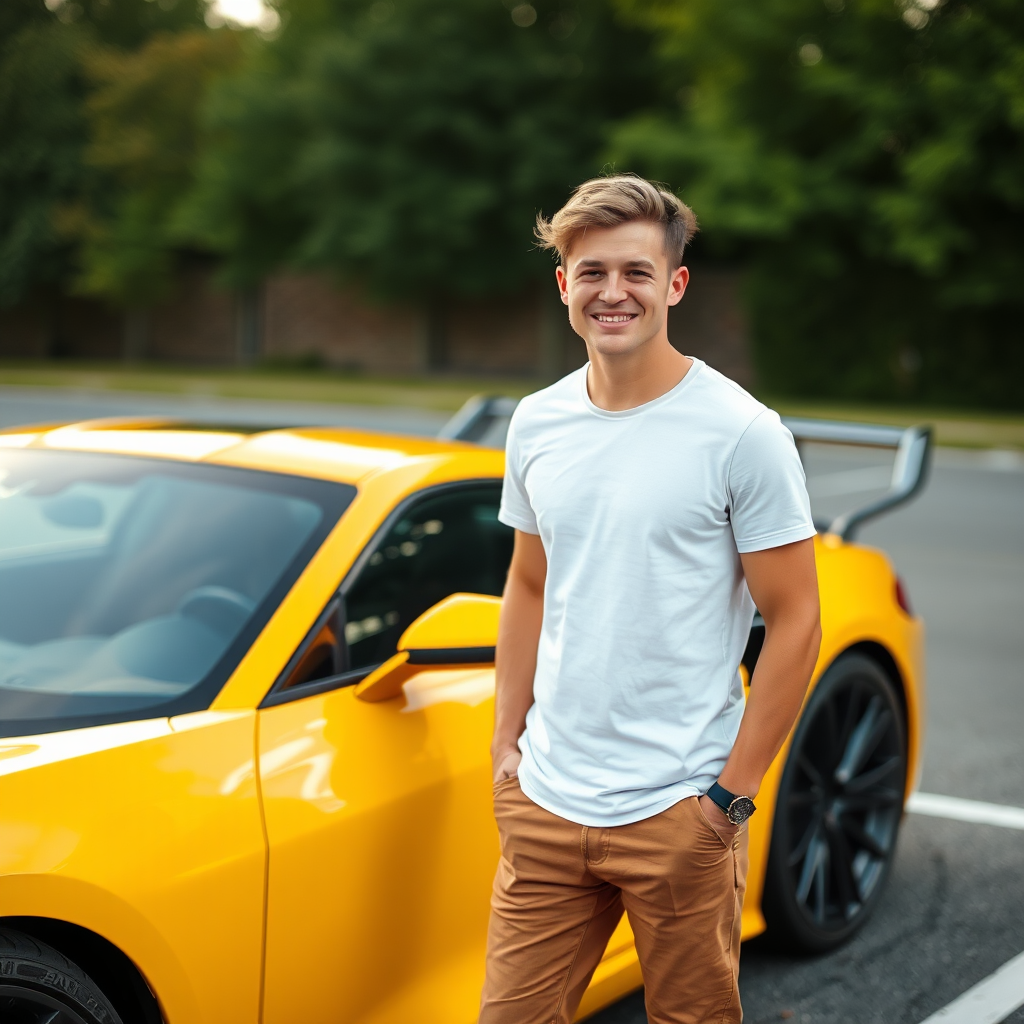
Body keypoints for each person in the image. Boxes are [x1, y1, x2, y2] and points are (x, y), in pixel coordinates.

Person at [480, 175, 822, 1024]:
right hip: (547, 803)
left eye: (636, 272)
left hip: (679, 808)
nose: (612, 292)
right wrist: (504, 749)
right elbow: (529, 581)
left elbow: (797, 620)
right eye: (591, 272)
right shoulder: (537, 421)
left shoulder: (742, 433)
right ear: (564, 284)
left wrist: (727, 805)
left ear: (674, 285)